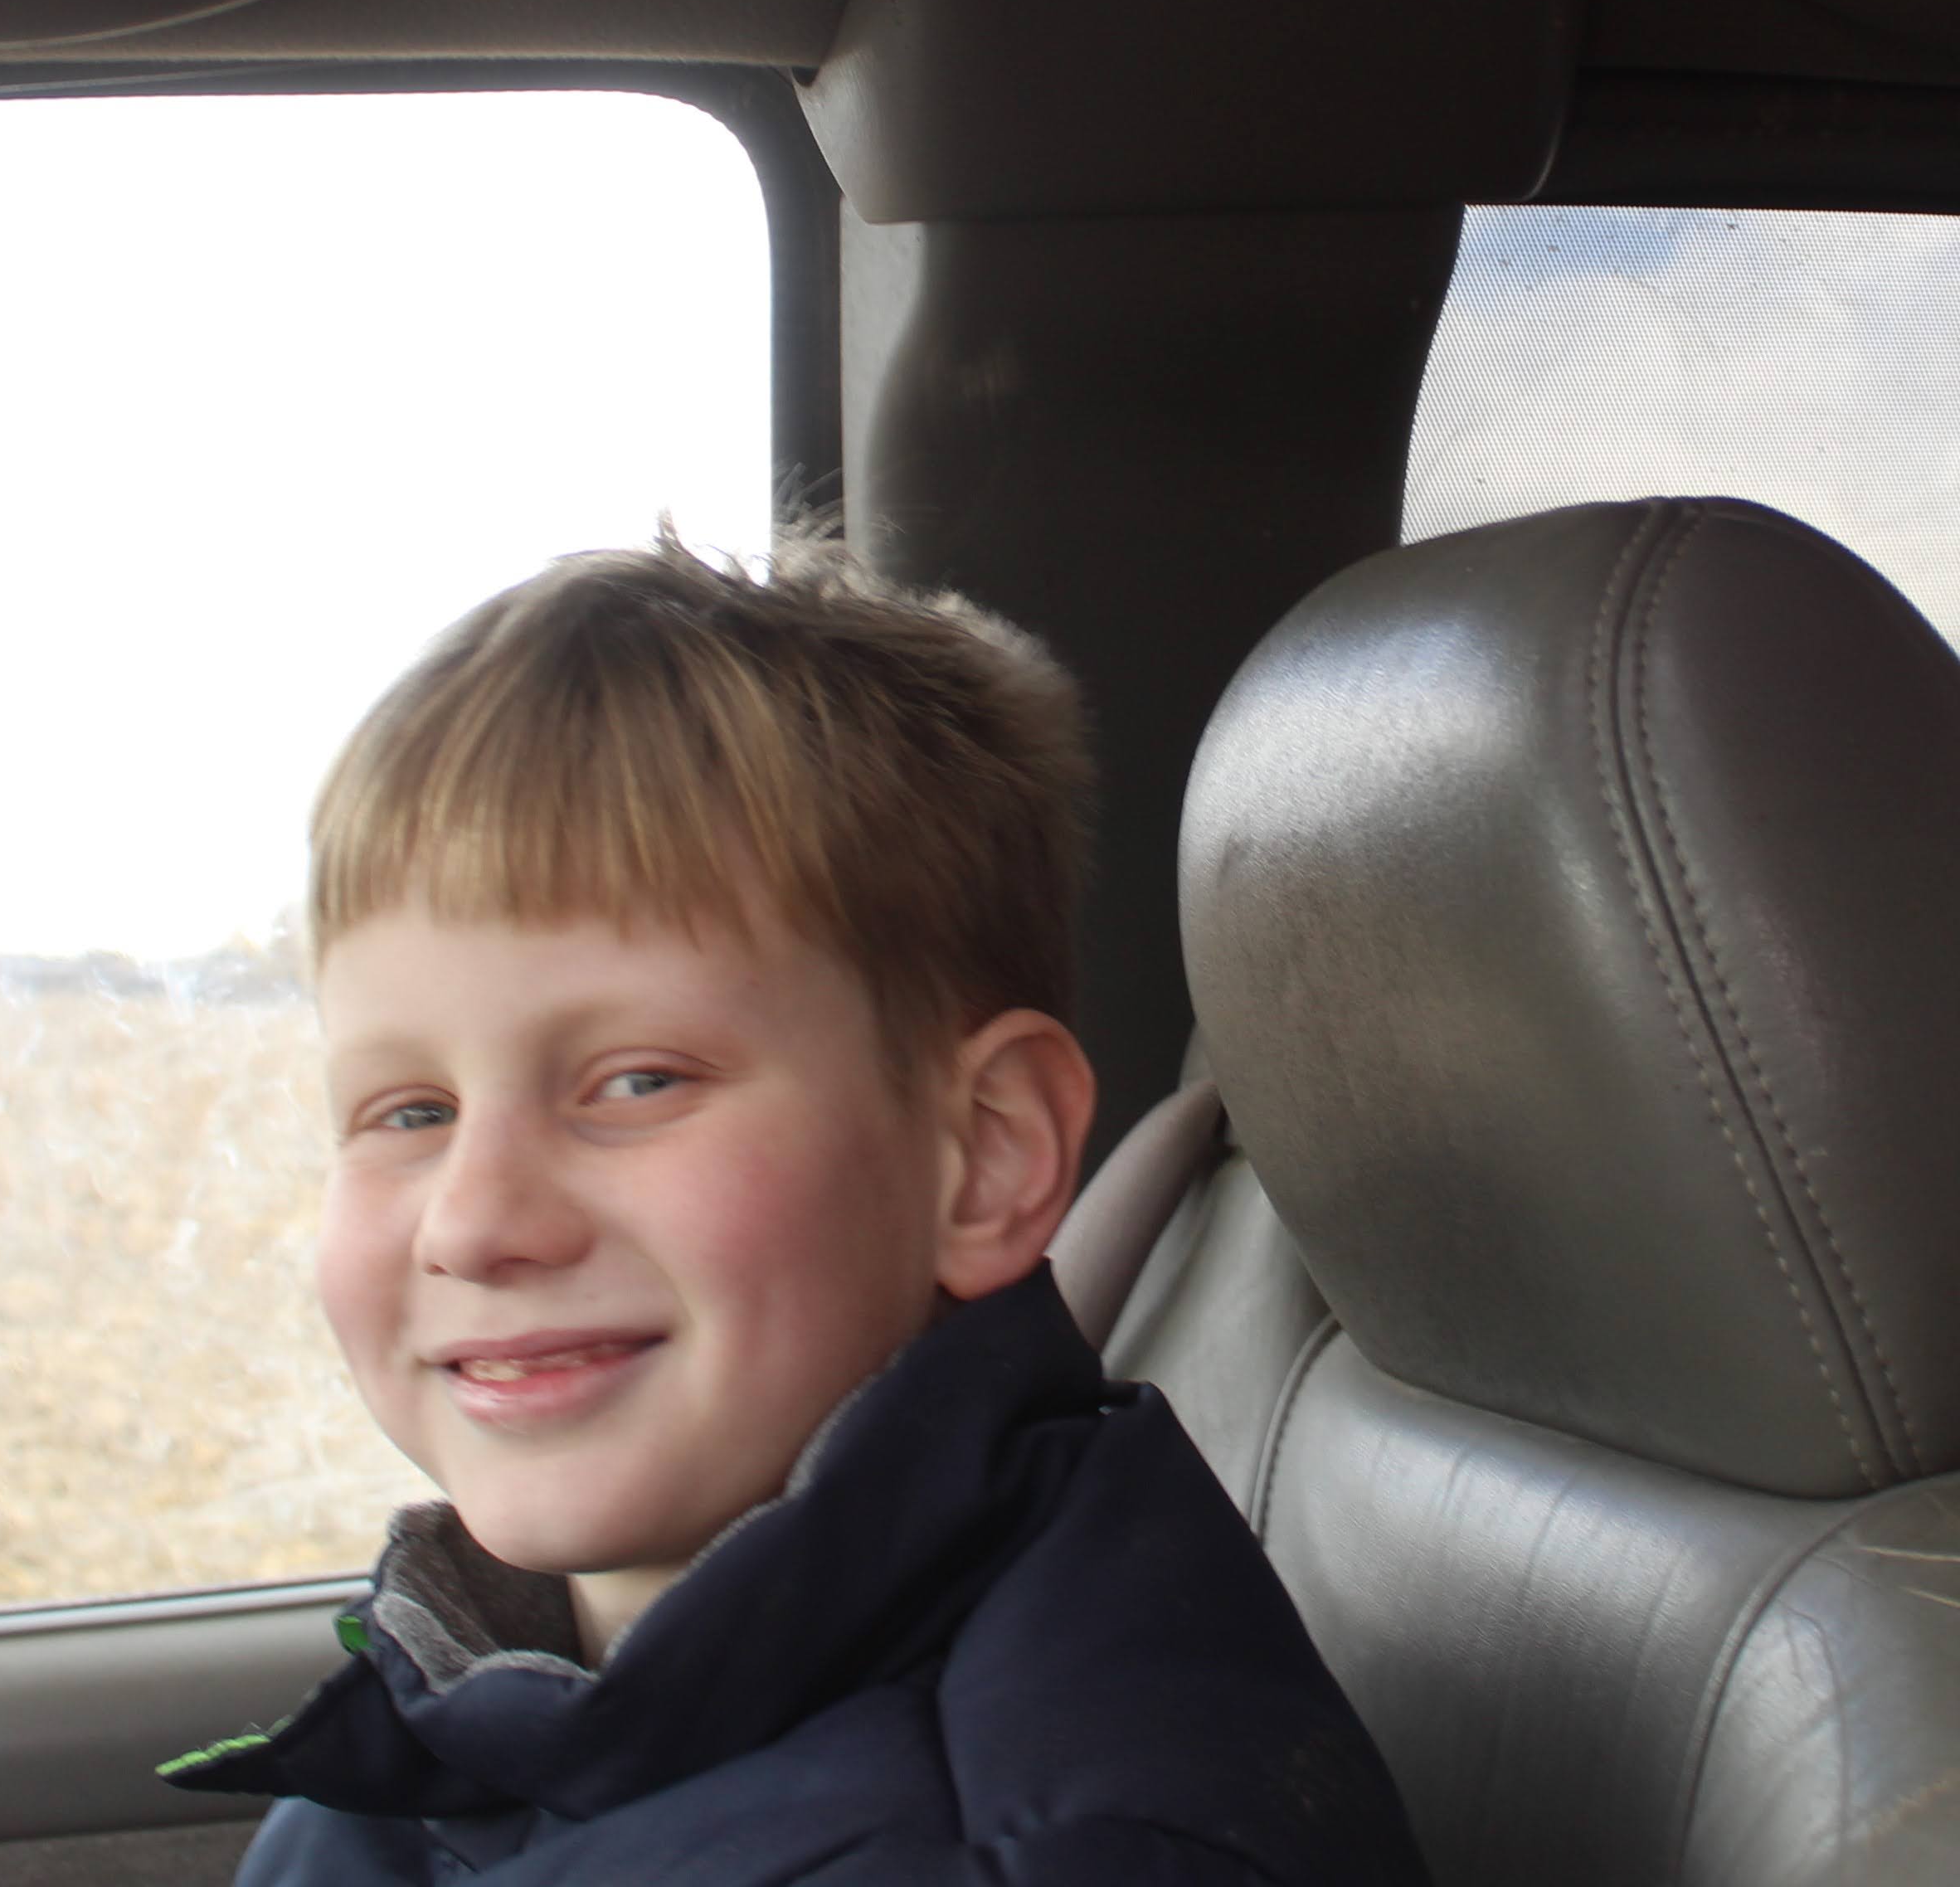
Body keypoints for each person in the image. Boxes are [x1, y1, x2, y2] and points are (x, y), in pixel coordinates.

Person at [163, 531, 1426, 1884]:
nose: (474, 1224)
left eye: (637, 1083)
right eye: (412, 1112)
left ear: (983, 1156)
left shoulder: (1046, 1850)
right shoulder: (460, 1735)